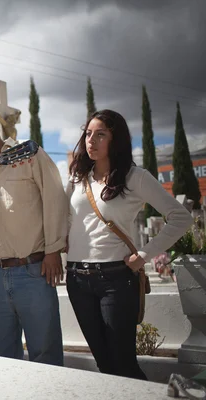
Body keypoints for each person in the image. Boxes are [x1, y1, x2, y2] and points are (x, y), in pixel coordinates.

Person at [66, 109, 193, 379]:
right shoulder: (78, 178)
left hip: (115, 279)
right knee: (103, 364)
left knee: (123, 364)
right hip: (76, 279)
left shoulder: (135, 177)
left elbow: (180, 217)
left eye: (100, 134)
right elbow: (64, 220)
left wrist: (145, 255)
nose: (91, 140)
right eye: (88, 134)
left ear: (117, 139)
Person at [0, 107, 67, 366]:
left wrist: (53, 250)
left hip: (35, 270)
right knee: (0, 358)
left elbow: (56, 199)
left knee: (45, 354)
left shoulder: (29, 155)